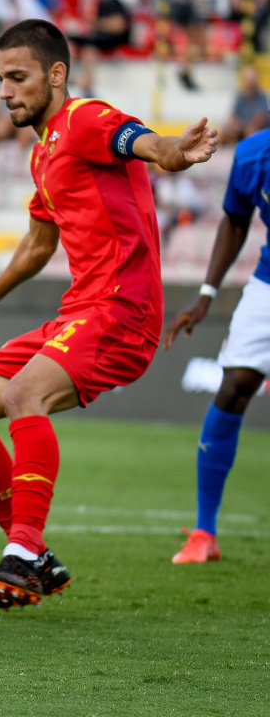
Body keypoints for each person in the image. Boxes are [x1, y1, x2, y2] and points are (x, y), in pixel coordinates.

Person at [0, 19, 218, 611]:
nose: (5, 90)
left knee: (21, 397)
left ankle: (24, 550)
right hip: (79, 312)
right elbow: (40, 243)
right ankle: (36, 556)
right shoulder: (45, 152)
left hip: (122, 310)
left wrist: (169, 152)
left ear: (56, 75)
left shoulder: (84, 119)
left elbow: (139, 140)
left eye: (18, 77)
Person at [162, 127, 270, 564]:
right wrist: (207, 293)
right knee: (234, 386)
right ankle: (204, 532)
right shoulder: (253, 154)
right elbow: (236, 220)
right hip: (267, 284)